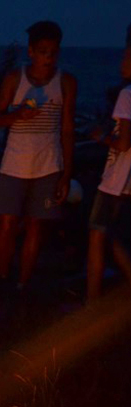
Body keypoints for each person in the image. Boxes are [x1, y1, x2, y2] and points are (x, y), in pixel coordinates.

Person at [0, 20, 77, 292]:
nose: (48, 58)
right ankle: (3, 277)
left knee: (35, 226)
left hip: (47, 166)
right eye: (42, 51)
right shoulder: (15, 79)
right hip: (14, 165)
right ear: (31, 51)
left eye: (53, 52)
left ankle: (22, 284)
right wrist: (17, 115)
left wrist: (66, 174)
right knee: (6, 223)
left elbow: (67, 129)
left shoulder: (65, 82)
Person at [87, 44, 131, 301]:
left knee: (98, 235)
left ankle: (90, 304)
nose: (121, 61)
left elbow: (124, 143)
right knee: (117, 238)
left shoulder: (127, 94)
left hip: (117, 181)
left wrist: (101, 136)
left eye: (126, 56)